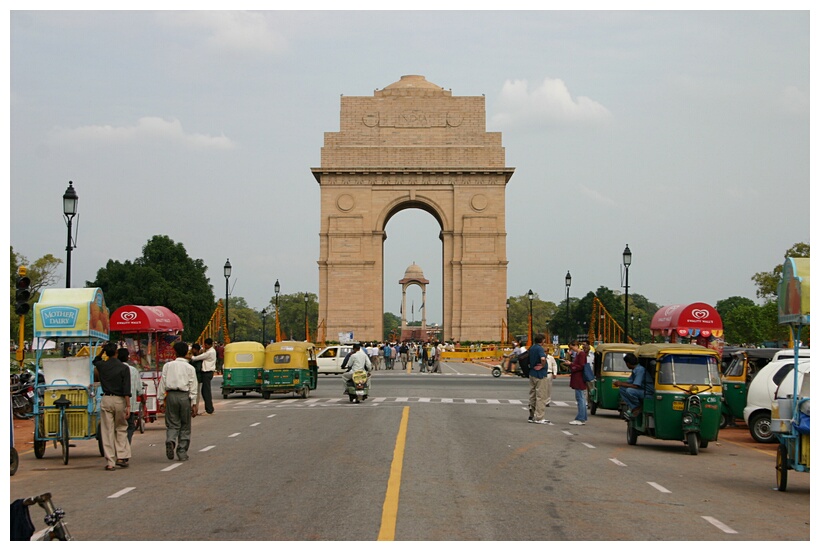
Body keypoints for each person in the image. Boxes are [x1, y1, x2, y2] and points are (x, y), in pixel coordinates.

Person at [92, 342, 131, 471]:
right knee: (121, 428)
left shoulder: (102, 366)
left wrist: (102, 351)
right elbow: (126, 389)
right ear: (116, 353)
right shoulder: (124, 368)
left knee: (107, 430)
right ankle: (122, 456)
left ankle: (110, 461)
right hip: (120, 400)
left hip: (106, 399)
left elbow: (95, 360)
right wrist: (128, 406)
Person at [157, 341, 198, 461]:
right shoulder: (190, 368)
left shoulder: (168, 366)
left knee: (172, 423)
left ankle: (170, 440)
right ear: (186, 353)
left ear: (174, 352)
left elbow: (162, 383)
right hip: (184, 396)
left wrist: (160, 401)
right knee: (185, 425)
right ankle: (182, 451)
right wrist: (194, 403)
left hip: (171, 396)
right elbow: (193, 385)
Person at [118, 348, 143, 445]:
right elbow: (139, 389)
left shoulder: (114, 369)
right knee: (129, 426)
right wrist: (143, 399)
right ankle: (125, 447)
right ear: (127, 357)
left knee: (118, 427)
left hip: (116, 403)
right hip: (130, 406)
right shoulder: (133, 370)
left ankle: (119, 447)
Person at [563, 341, 588, 426]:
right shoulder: (580, 354)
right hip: (579, 377)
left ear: (577, 346)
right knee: (582, 399)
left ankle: (580, 418)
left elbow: (581, 366)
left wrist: (571, 364)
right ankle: (582, 417)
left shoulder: (581, 354)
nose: (572, 349)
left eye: (572, 347)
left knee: (580, 398)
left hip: (579, 378)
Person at [527, 335, 550, 424]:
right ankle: (539, 417)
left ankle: (531, 415)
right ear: (542, 340)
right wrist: (542, 365)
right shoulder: (540, 349)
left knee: (532, 395)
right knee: (541, 396)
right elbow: (543, 359)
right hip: (540, 375)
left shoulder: (532, 348)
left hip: (532, 373)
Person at [190, 338, 216, 414]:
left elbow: (196, 358)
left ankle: (209, 410)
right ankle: (209, 408)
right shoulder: (209, 351)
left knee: (206, 392)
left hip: (207, 372)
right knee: (205, 391)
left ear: (210, 345)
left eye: (206, 345)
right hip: (207, 372)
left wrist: (189, 357)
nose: (205, 346)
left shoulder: (210, 352)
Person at [188, 343, 204, 412]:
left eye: (193, 349)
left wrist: (189, 368)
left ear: (195, 349)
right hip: (192, 378)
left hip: (197, 378)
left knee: (196, 394)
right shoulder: (192, 357)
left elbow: (198, 368)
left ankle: (195, 408)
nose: (191, 350)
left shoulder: (198, 358)